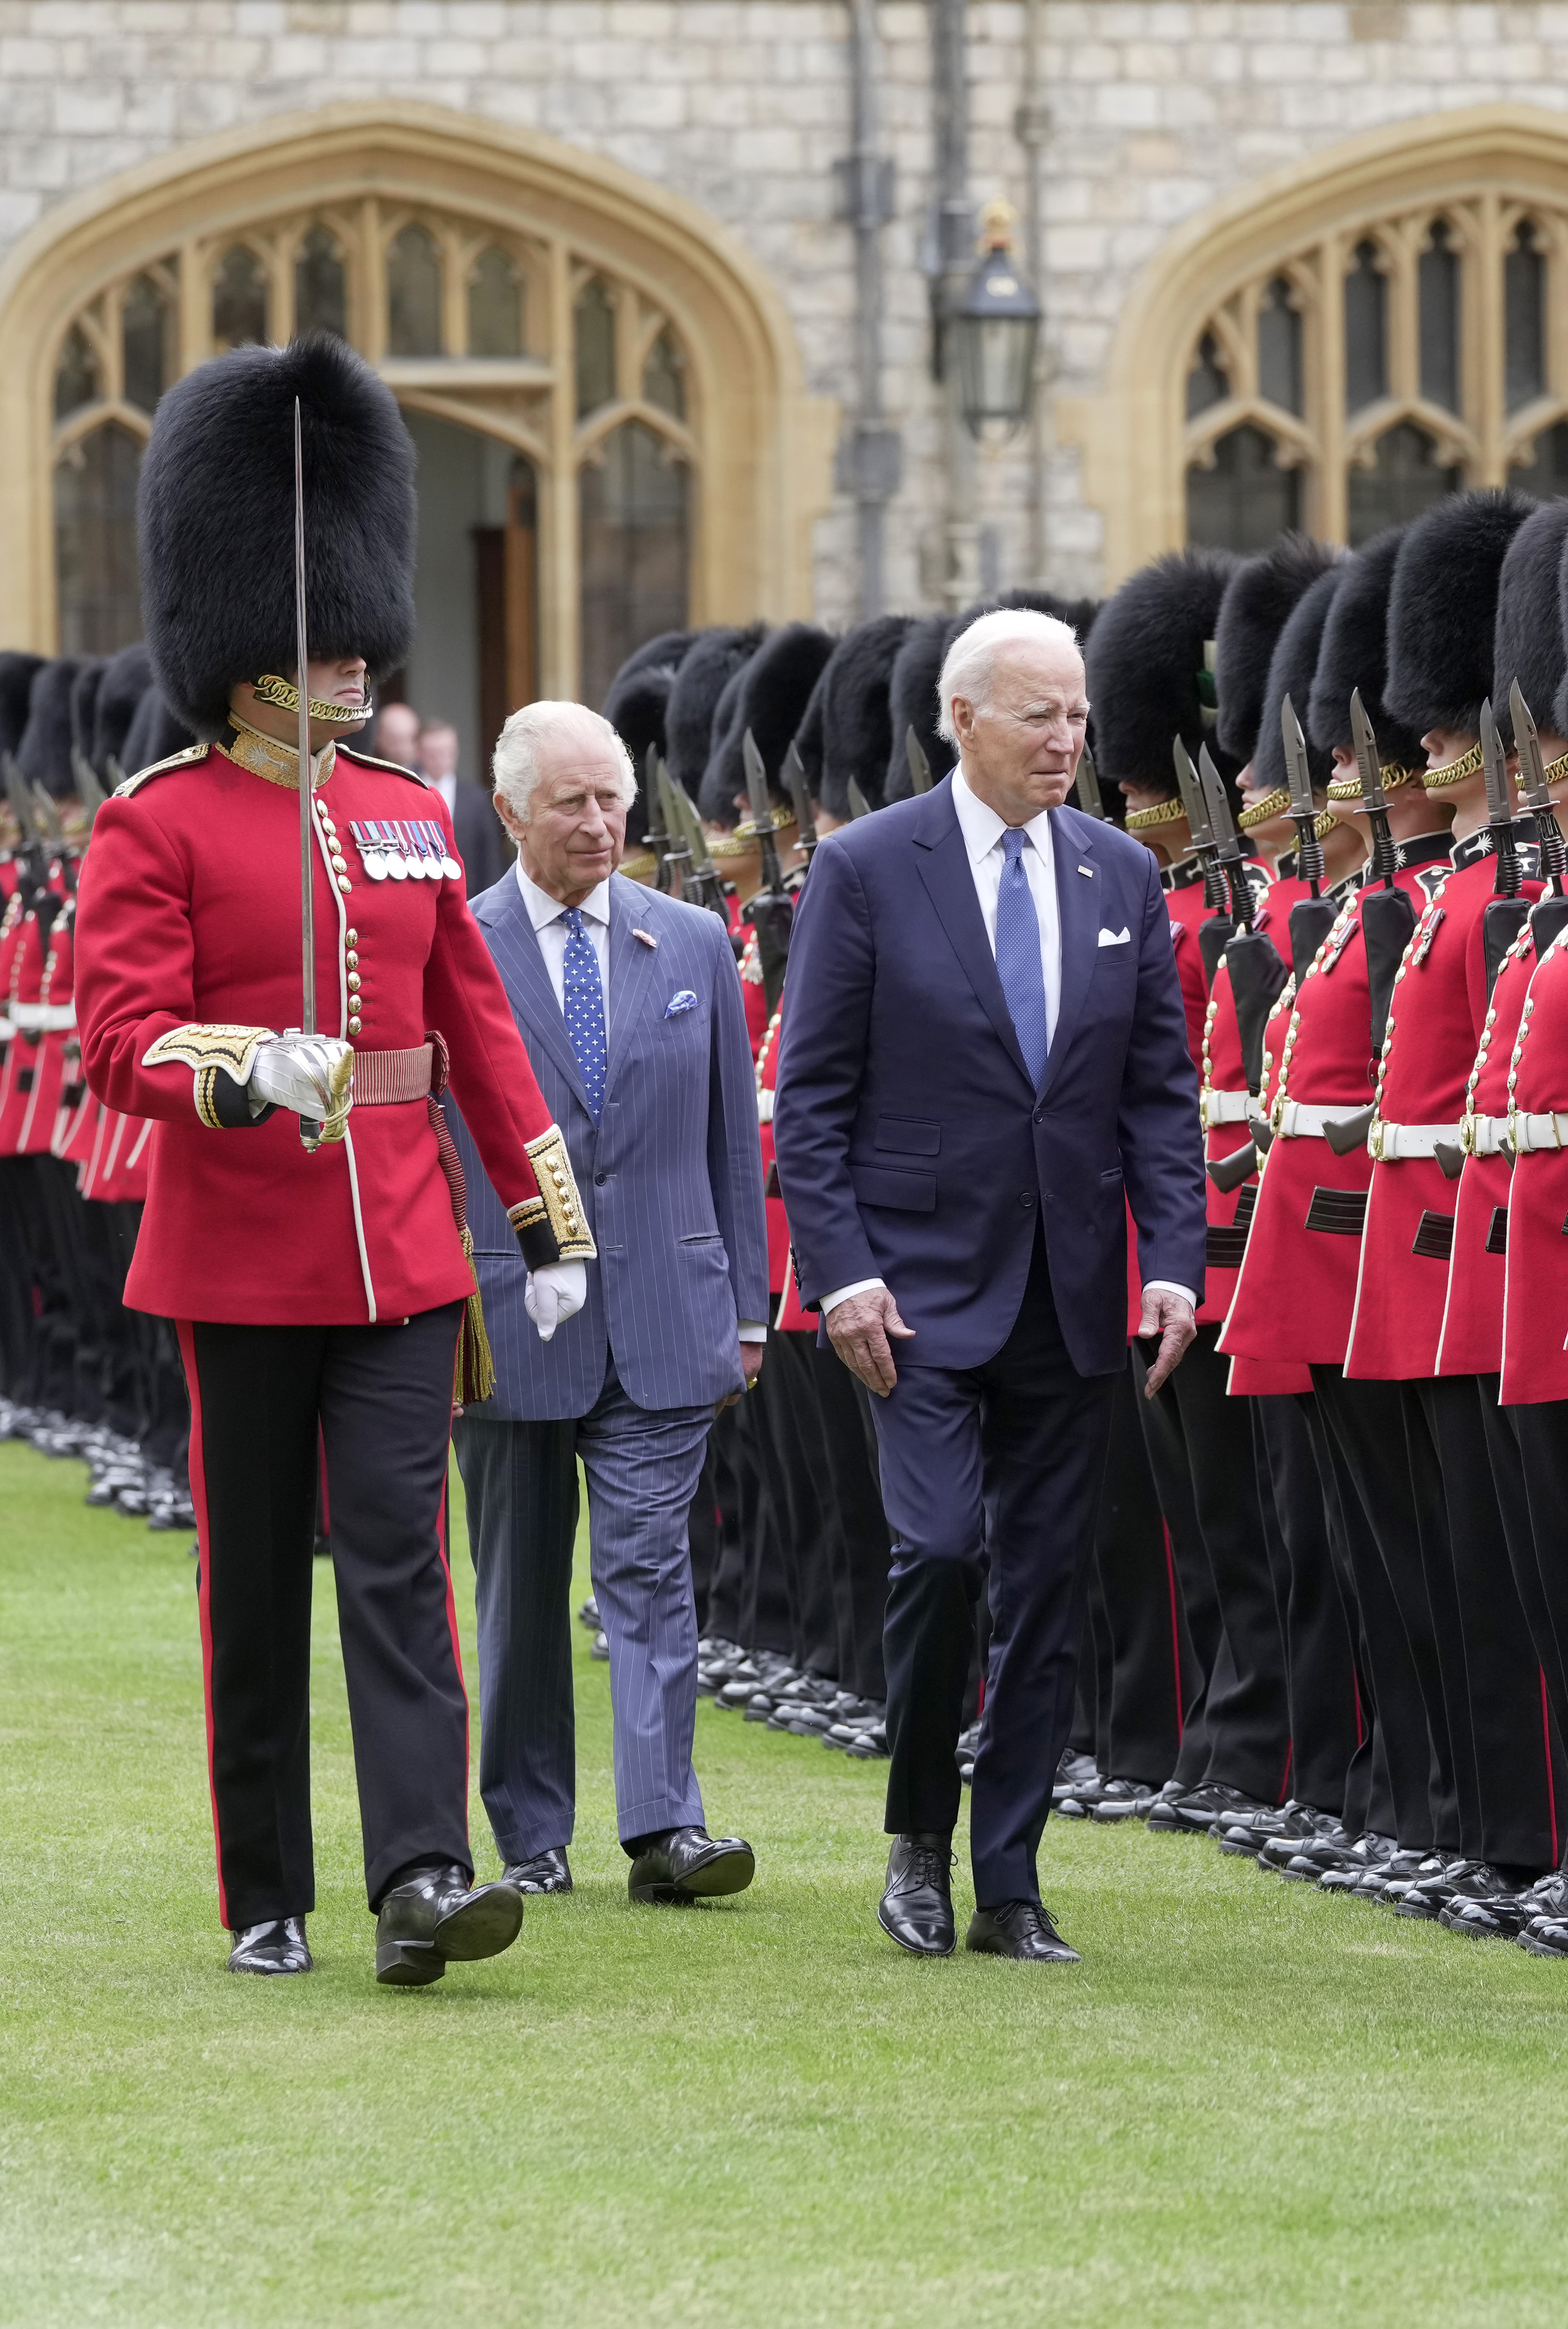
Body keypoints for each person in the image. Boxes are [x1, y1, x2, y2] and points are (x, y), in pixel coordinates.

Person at [71, 334, 595, 1987]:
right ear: (241, 654)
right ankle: (265, 1886)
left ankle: (422, 1872)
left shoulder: (408, 812)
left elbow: (476, 1031)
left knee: (399, 1556)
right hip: (237, 1246)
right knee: (250, 1584)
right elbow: (117, 1038)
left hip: (400, 1247)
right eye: (324, 630)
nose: (355, 651)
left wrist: (543, 1205)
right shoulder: (154, 820)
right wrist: (241, 1071)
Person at [774, 605, 1204, 1964]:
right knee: (942, 1554)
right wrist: (838, 1274)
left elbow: (1156, 1096)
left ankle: (1008, 1873)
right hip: (913, 1294)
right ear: (960, 719)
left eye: (1076, 714)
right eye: (1039, 714)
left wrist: (1176, 1266)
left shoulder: (1117, 876)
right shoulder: (864, 868)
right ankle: (916, 1836)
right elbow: (813, 1100)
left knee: (1044, 1581)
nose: (1065, 739)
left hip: (1070, 1293)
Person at [448, 696, 765, 1908]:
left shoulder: (686, 939)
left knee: (649, 1569)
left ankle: (663, 1825)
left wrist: (748, 1302)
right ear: (512, 813)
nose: (599, 824)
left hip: (666, 1304)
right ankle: (531, 1831)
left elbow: (732, 1133)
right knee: (521, 1590)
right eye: (573, 804)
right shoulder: (461, 944)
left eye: (613, 800)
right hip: (514, 1311)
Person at [424, 718, 514, 896]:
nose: (439, 760)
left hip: (468, 894)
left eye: (445, 753)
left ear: (454, 753)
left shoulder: (476, 798)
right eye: (432, 753)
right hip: (424, 892)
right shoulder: (410, 792)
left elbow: (491, 856)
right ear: (420, 753)